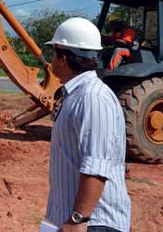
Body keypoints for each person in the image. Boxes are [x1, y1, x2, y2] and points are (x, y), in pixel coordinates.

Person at [44, 17, 131, 232]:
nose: (51, 60)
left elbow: (96, 165)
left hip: (93, 223)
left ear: (63, 58)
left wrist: (78, 219)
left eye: (53, 53)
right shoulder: (75, 95)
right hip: (73, 219)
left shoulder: (92, 97)